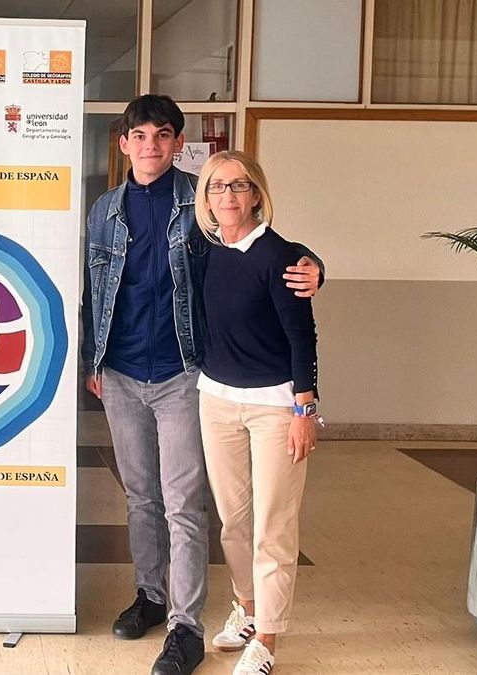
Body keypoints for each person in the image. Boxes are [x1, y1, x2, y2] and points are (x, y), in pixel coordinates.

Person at [81, 95, 321, 675]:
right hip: (120, 372)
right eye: (140, 136)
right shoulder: (104, 209)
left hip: (185, 374)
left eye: (163, 135)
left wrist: (315, 266)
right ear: (124, 144)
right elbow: (93, 286)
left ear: (177, 143)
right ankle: (150, 595)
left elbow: (260, 251)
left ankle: (184, 626)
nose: (151, 146)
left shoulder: (202, 200)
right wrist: (94, 359)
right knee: (140, 495)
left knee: (183, 503)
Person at [193, 151, 319, 675]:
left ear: (256, 194)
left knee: (273, 524)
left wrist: (304, 409)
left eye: (239, 185)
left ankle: (267, 638)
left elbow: (302, 335)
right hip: (216, 399)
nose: (228, 195)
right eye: (217, 186)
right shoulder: (206, 250)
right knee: (233, 520)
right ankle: (246, 610)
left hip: (275, 407)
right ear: (205, 198)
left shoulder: (281, 256)